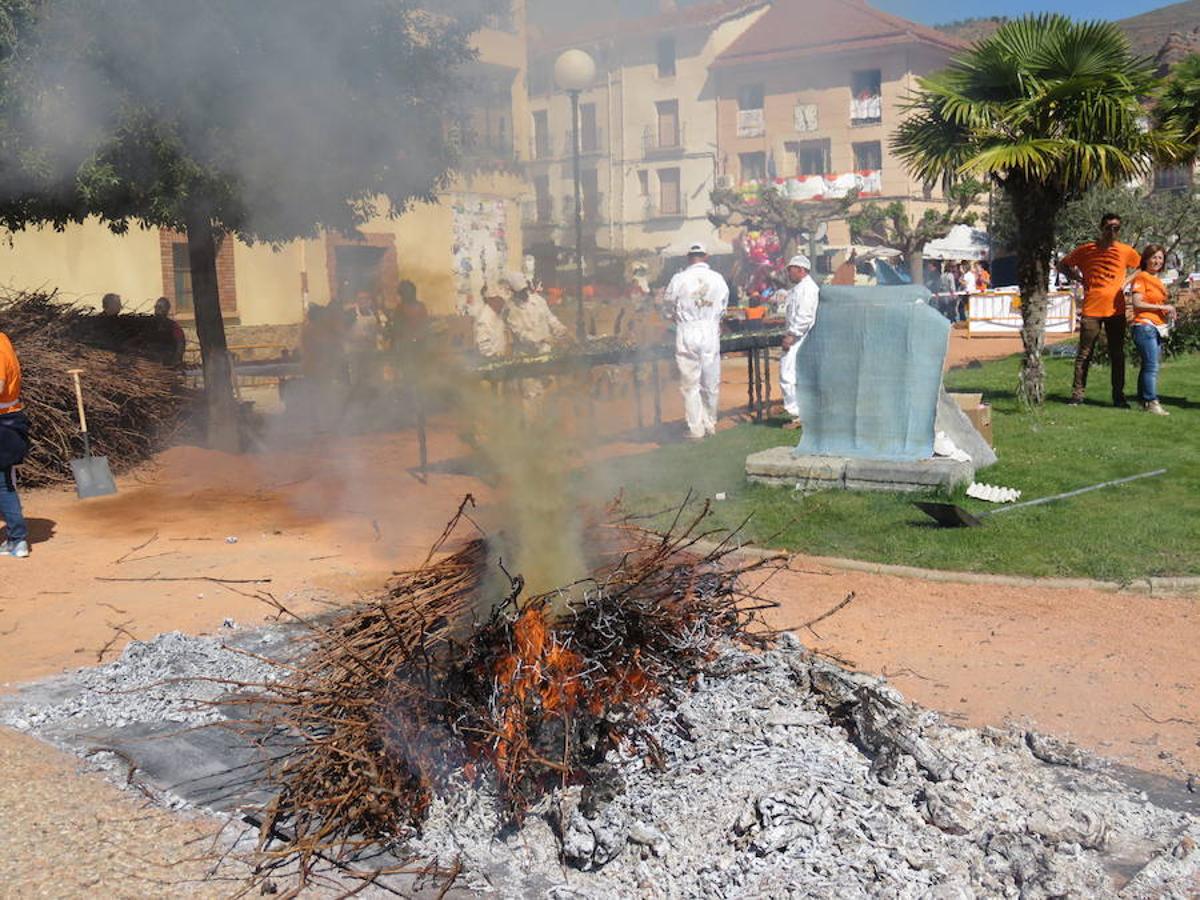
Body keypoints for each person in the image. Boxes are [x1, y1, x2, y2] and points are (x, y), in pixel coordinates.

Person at [1061, 212, 1142, 407]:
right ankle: (1077, 394)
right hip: (1092, 309)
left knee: (1117, 354)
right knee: (1084, 353)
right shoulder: (1086, 250)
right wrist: (1079, 279)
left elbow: (1142, 266)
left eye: (1116, 228)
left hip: (1116, 310)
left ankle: (1118, 396)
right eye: (1109, 227)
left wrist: (1127, 281)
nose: (1112, 232)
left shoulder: (1125, 251)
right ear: (1102, 228)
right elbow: (1062, 265)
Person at [663, 242, 729, 440]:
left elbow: (667, 303)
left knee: (690, 383)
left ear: (688, 257)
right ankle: (710, 422)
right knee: (710, 380)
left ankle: (696, 428)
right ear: (706, 256)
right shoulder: (718, 279)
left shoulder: (679, 278)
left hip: (687, 330)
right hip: (709, 330)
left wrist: (672, 316)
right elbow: (724, 306)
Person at [1129, 244, 1176, 416]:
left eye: (1160, 258)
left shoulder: (1157, 280)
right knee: (1151, 367)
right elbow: (1137, 303)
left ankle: (1143, 400)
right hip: (1144, 326)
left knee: (1148, 366)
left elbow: (1155, 304)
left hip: (1156, 326)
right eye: (1154, 257)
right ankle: (1151, 401)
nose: (1157, 261)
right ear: (1146, 259)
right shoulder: (1142, 277)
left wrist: (1165, 310)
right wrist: (1163, 306)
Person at [778, 254, 819, 429]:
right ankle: (802, 414)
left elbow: (805, 316)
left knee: (788, 375)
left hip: (800, 338)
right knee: (796, 377)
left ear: (801, 270)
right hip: (799, 337)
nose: (789, 274)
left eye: (791, 270)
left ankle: (797, 415)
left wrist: (792, 335)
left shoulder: (807, 289)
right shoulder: (799, 288)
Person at [0, 329, 29, 558]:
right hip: (8, 422)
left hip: (3, 424)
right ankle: (16, 539)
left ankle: (17, 540)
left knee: (3, 485)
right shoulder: (3, 340)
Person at [473, 285, 510, 359]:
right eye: (499, 300)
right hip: (493, 360)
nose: (502, 303)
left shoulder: (497, 314)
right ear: (490, 300)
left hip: (502, 357)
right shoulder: (484, 318)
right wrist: (493, 356)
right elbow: (483, 344)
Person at [153, 296, 186, 367]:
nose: (157, 310)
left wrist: (176, 360)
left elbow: (180, 343)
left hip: (168, 363)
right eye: (156, 307)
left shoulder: (173, 326)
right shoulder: (150, 324)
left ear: (166, 310)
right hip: (153, 363)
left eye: (160, 307)